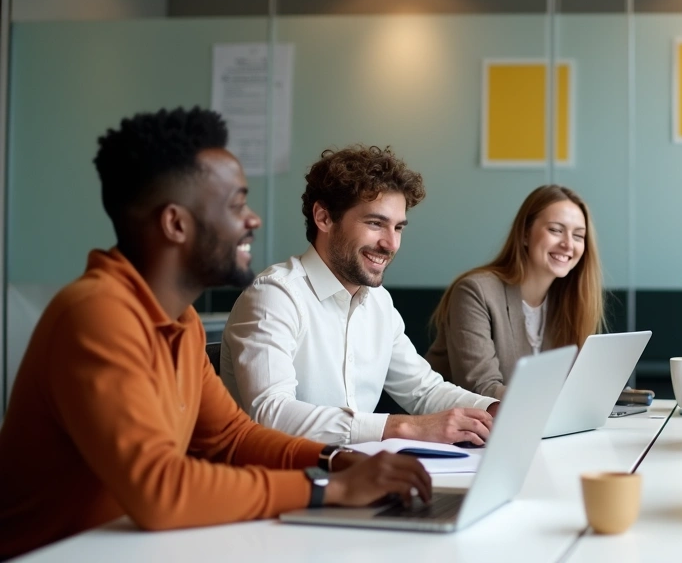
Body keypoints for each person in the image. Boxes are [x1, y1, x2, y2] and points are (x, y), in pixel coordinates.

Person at [0, 110, 431, 560]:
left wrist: (334, 460)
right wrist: (329, 488)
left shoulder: (179, 320)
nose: (253, 220)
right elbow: (160, 490)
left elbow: (232, 437)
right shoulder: (96, 315)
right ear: (176, 224)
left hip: (130, 547)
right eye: (235, 205)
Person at [222, 145, 498, 446]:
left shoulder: (378, 302)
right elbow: (270, 413)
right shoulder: (275, 295)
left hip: (354, 477)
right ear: (324, 218)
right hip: (281, 483)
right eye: (375, 223)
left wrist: (495, 411)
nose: (391, 243)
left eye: (398, 227)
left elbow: (424, 391)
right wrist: (402, 428)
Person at [425, 185, 604, 399]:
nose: (568, 244)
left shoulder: (569, 303)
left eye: (578, 235)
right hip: (461, 428)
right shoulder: (475, 292)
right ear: (525, 234)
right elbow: (481, 390)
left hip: (536, 428)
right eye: (556, 230)